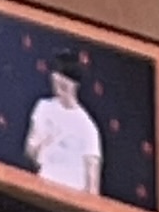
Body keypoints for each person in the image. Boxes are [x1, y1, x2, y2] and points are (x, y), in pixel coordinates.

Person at [23, 58, 103, 196]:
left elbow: (92, 182)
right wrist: (41, 145)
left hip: (72, 194)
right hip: (43, 188)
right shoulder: (43, 108)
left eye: (64, 80)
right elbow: (31, 150)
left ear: (74, 85)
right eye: (56, 78)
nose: (59, 83)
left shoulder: (87, 127)